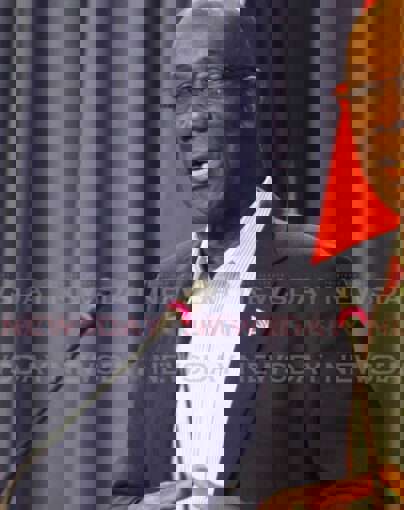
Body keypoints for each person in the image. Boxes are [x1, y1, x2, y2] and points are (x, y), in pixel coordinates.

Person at [105, 1, 352, 508]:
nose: (188, 123)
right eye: (180, 95)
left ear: (254, 104)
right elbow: (130, 488)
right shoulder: (168, 287)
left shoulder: (311, 274)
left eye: (206, 87)